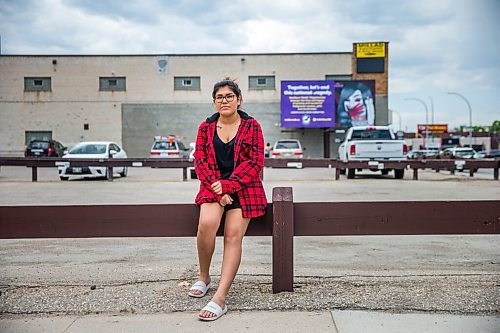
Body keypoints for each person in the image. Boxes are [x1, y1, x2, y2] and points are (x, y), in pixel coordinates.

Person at [189, 78, 267, 321]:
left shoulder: (252, 126)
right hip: (212, 187)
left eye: (229, 96)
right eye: (219, 97)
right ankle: (204, 277)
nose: (224, 100)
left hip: (244, 189)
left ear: (239, 99)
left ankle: (220, 298)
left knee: (233, 236)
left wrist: (228, 187)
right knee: (206, 225)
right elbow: (199, 160)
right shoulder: (205, 127)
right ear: (214, 102)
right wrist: (218, 191)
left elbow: (255, 163)